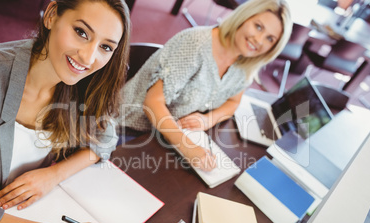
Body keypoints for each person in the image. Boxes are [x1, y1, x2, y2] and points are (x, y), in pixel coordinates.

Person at [0, 0, 130, 223]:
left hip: (27, 215)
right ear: (52, 15)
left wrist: (53, 175)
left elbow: (106, 139)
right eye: (81, 32)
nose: (89, 58)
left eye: (105, 47)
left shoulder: (86, 81)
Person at [117, 0, 292, 171]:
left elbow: (233, 102)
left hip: (166, 136)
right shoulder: (196, 44)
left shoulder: (245, 66)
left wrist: (207, 119)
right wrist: (186, 146)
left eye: (270, 38)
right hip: (129, 127)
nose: (259, 40)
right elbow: (152, 103)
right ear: (244, 17)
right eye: (258, 26)